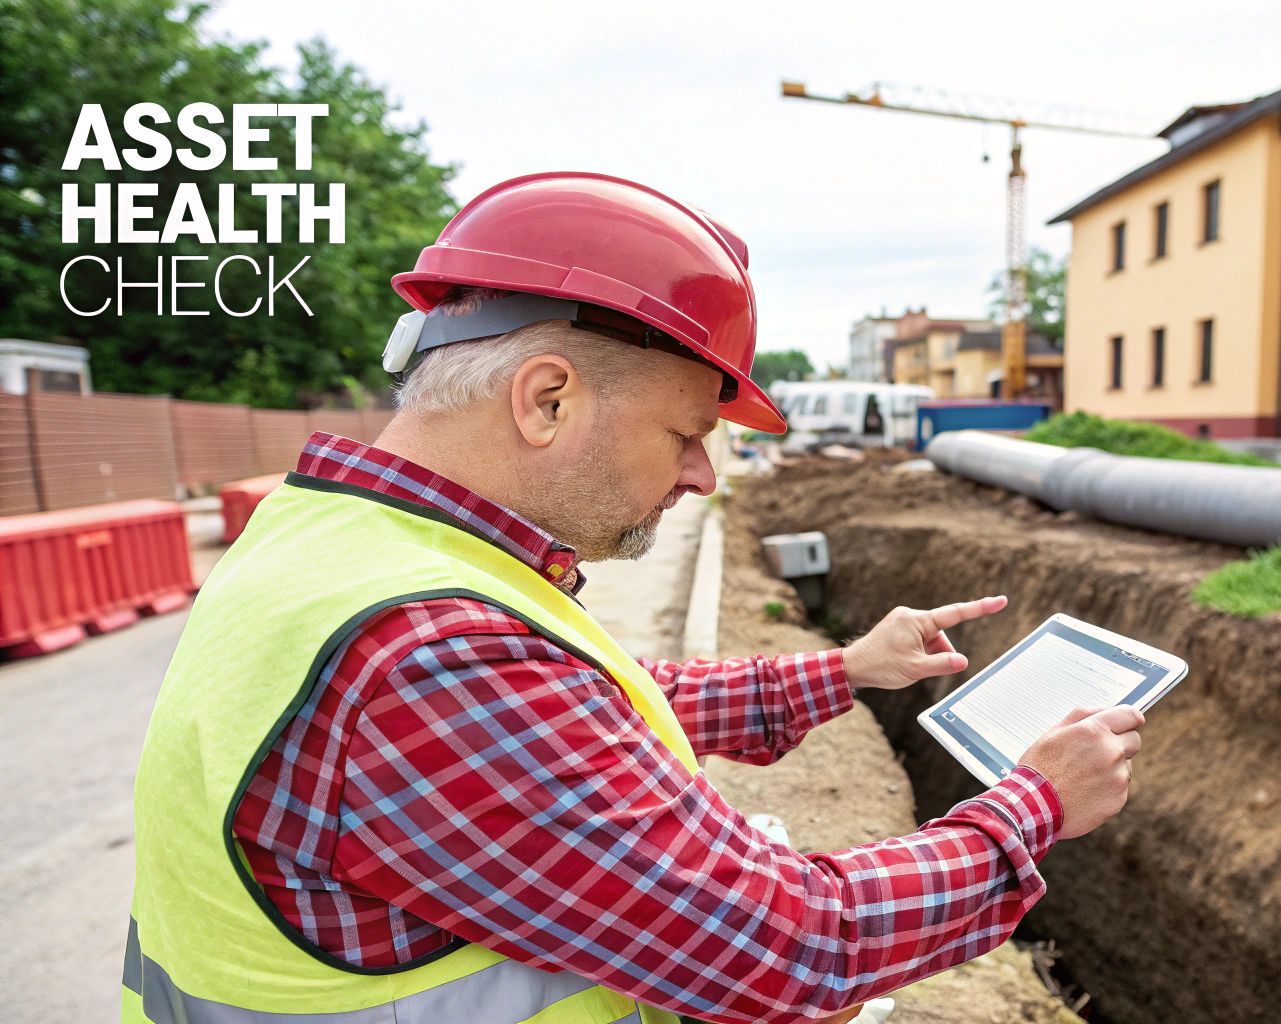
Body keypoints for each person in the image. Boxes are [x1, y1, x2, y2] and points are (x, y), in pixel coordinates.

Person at [123, 172, 1146, 1024]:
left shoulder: (340, 541)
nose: (704, 475)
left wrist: (842, 670)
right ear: (547, 398)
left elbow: (586, 714)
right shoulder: (428, 654)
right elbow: (791, 945)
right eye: (684, 432)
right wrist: (1032, 808)